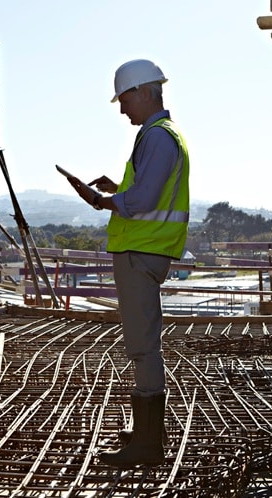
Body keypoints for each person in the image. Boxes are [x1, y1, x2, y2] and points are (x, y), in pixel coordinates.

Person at [67, 59, 190, 468]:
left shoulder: (157, 137)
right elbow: (146, 193)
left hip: (141, 254)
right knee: (143, 345)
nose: (122, 109)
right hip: (147, 250)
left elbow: (144, 201)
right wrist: (118, 189)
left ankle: (148, 444)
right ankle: (147, 433)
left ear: (143, 92)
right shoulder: (163, 137)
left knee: (143, 347)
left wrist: (103, 201)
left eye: (124, 99)